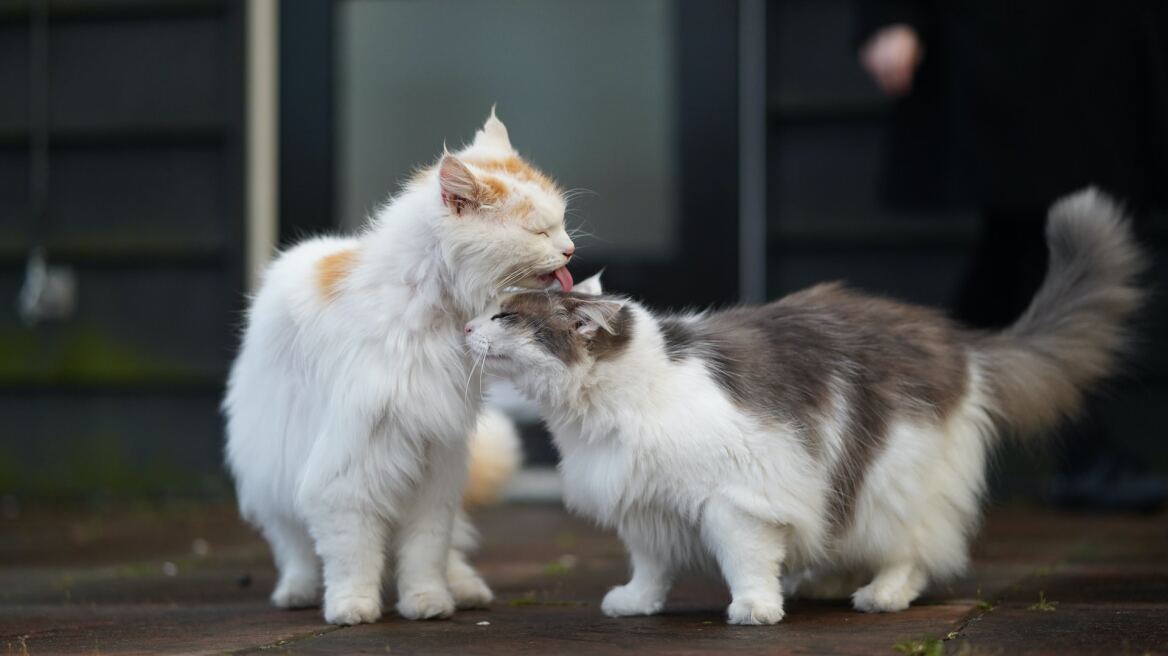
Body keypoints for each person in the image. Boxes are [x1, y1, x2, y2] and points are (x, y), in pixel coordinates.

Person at [856, 0, 1168, 511]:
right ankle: (1079, 450)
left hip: (1106, 47)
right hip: (1016, 48)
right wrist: (891, 14)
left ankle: (904, 435)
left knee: (1017, 254)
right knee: (1033, 240)